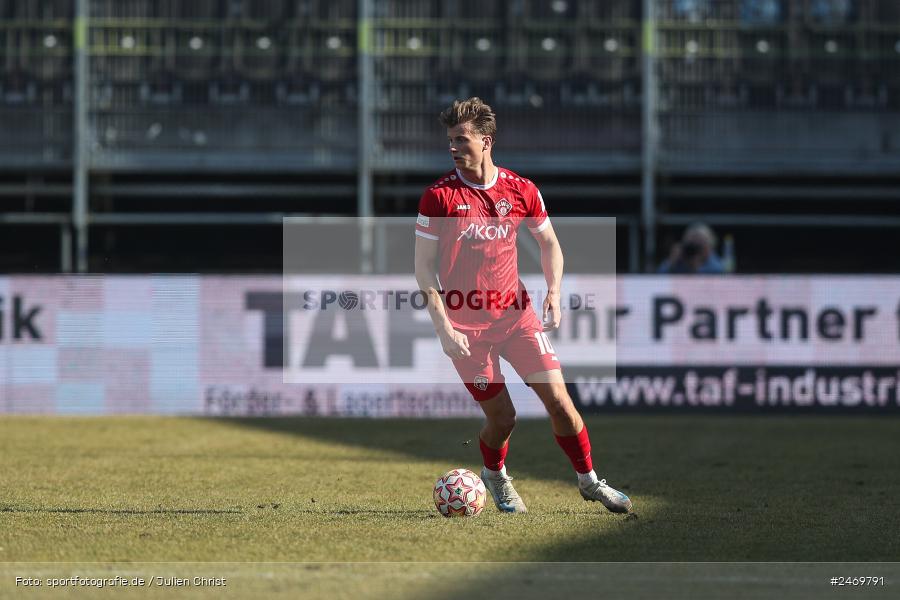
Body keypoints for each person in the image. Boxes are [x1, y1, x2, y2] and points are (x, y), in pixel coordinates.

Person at [413, 97, 632, 514]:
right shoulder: (438, 198)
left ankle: (590, 482)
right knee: (504, 419)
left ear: (486, 141)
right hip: (466, 330)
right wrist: (443, 327)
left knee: (561, 404)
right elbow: (424, 270)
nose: (454, 147)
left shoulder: (521, 190)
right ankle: (494, 475)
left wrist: (553, 290)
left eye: (462, 139)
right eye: (450, 141)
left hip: (517, 318)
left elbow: (549, 243)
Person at [657, 223, 726, 274]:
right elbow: (660, 274)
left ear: (709, 245)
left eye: (699, 244)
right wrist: (671, 262)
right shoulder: (680, 259)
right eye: (692, 244)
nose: (694, 249)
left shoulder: (713, 262)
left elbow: (720, 272)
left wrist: (697, 268)